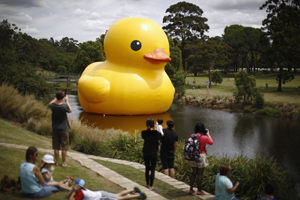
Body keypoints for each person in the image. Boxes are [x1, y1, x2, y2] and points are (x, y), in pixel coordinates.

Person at [189, 123, 213, 195]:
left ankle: (191, 189)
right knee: (200, 174)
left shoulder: (192, 136)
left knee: (193, 173)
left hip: (193, 155)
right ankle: (199, 190)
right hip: (201, 155)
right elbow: (211, 142)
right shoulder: (204, 137)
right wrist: (208, 134)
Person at [49, 90, 72, 167]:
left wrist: (56, 99)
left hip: (55, 128)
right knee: (64, 147)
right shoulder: (64, 106)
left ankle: (57, 162)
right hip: (64, 128)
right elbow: (70, 110)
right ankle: (64, 163)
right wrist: (67, 101)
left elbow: (49, 104)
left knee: (56, 146)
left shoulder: (53, 106)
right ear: (63, 97)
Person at [67, 178, 147, 200]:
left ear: (79, 187)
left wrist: (73, 191)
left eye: (75, 185)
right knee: (118, 194)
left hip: (102, 197)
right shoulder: (81, 190)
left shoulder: (81, 193)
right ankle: (134, 189)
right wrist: (73, 190)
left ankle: (139, 195)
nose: (73, 186)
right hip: (101, 194)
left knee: (120, 198)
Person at [141, 118, 162, 191]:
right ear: (153, 125)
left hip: (146, 152)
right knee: (152, 169)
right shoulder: (156, 133)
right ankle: (151, 185)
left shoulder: (143, 133)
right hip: (153, 152)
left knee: (147, 169)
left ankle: (147, 185)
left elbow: (144, 136)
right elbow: (160, 136)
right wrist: (155, 128)